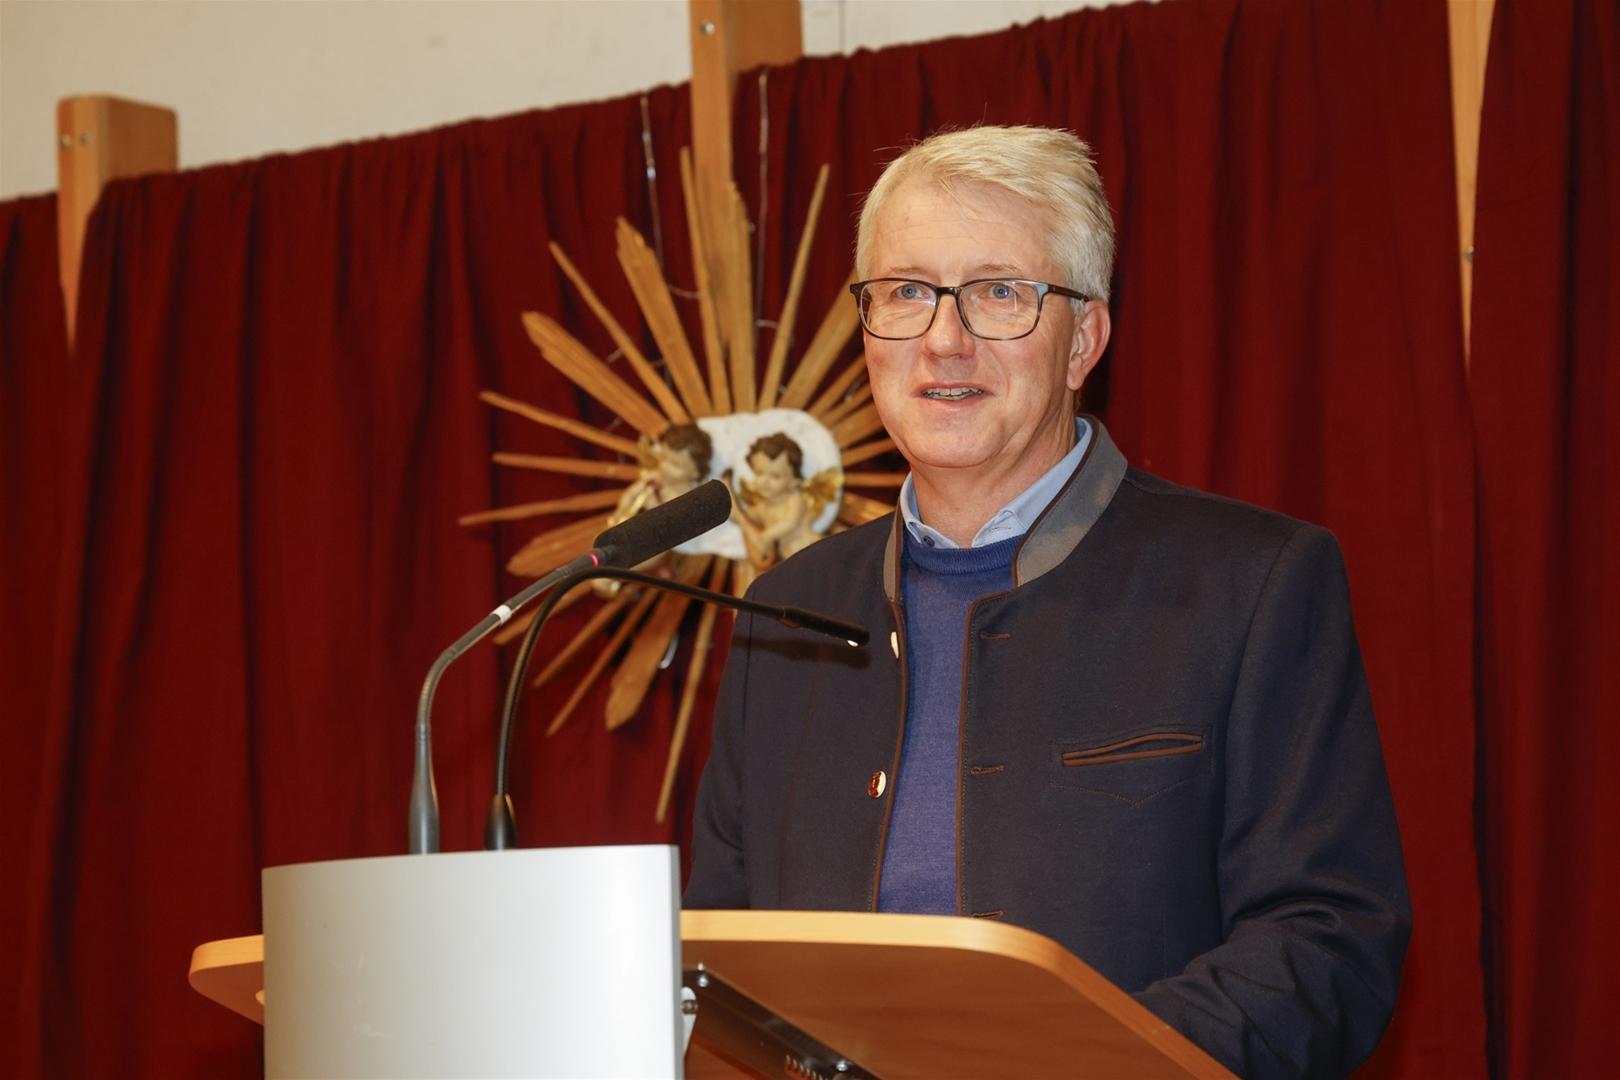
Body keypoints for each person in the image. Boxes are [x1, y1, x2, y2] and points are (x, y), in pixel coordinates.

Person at [684, 126, 1410, 1080]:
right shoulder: (785, 613)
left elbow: (1328, 942)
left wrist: (1074, 1064)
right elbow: (718, 962)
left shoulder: (1254, 584)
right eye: (906, 292)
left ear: (1084, 342)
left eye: (998, 293)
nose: (944, 338)